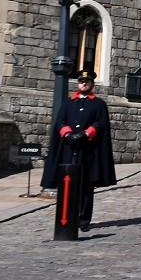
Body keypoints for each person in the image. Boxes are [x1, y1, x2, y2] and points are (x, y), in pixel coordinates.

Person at [40, 70, 117, 231]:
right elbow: (60, 122)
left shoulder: (98, 104)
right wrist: (68, 134)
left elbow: (100, 124)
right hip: (69, 149)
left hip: (88, 151)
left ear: (92, 84)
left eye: (87, 82)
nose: (84, 84)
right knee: (67, 183)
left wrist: (85, 134)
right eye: (82, 81)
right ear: (78, 83)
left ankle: (84, 220)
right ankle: (67, 216)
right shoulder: (68, 103)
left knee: (86, 187)